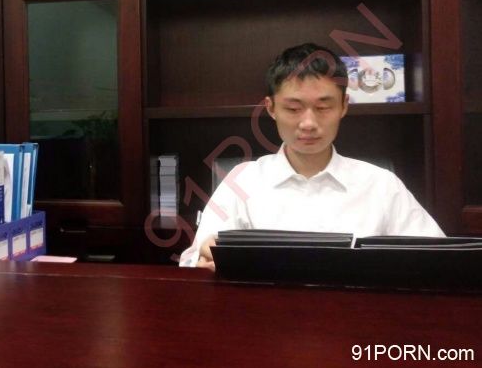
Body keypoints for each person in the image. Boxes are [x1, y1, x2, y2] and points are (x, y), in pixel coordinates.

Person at [179, 43, 444, 270]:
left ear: (344, 106)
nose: (308, 123)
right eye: (293, 109)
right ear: (271, 108)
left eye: (323, 107)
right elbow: (193, 261)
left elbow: (436, 260)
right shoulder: (242, 182)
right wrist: (203, 261)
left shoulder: (381, 185)